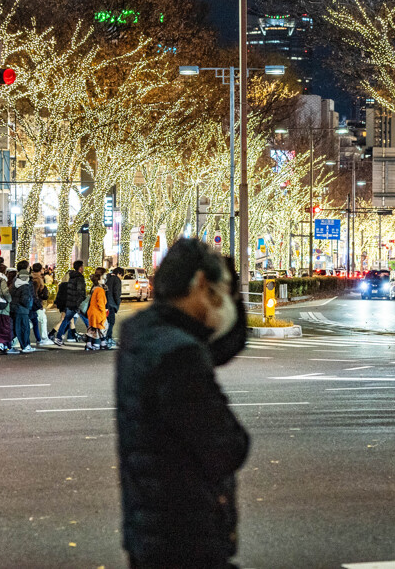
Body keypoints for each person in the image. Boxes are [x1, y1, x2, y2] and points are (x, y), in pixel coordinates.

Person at [116, 239, 250, 569]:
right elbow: (227, 447)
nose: (223, 302)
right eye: (221, 289)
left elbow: (220, 347)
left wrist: (230, 295)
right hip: (186, 535)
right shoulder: (180, 355)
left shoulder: (141, 333)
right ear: (201, 283)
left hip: (149, 525)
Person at [54, 260, 89, 345]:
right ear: (80, 268)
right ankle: (93, 337)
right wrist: (82, 301)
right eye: (82, 266)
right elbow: (80, 291)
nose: (83, 268)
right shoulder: (80, 277)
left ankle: (58, 338)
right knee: (87, 320)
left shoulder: (71, 276)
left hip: (70, 302)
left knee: (66, 320)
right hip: (77, 303)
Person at [10, 267, 36, 353]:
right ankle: (25, 345)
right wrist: (29, 306)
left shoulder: (14, 284)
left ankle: (8, 343)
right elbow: (25, 300)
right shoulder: (25, 286)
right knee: (25, 328)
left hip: (14, 309)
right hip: (22, 310)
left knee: (16, 328)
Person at [85, 268, 109, 351]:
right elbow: (101, 303)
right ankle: (102, 344)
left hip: (91, 312)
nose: (105, 280)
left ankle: (89, 344)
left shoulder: (94, 288)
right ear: (99, 280)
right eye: (103, 278)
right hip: (98, 313)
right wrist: (104, 312)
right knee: (103, 327)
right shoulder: (100, 290)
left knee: (93, 328)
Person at [29, 263, 53, 345]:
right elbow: (35, 293)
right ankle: (44, 338)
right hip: (37, 303)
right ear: (40, 270)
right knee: (42, 320)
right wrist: (39, 304)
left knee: (32, 321)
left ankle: (17, 338)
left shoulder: (31, 277)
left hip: (33, 303)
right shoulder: (38, 279)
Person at [105, 267, 123, 341]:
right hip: (111, 304)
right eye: (121, 275)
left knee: (106, 321)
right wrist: (118, 302)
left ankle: (104, 337)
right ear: (118, 274)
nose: (121, 277)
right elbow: (116, 293)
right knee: (111, 321)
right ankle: (108, 337)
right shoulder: (117, 280)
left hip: (105, 303)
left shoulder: (107, 278)